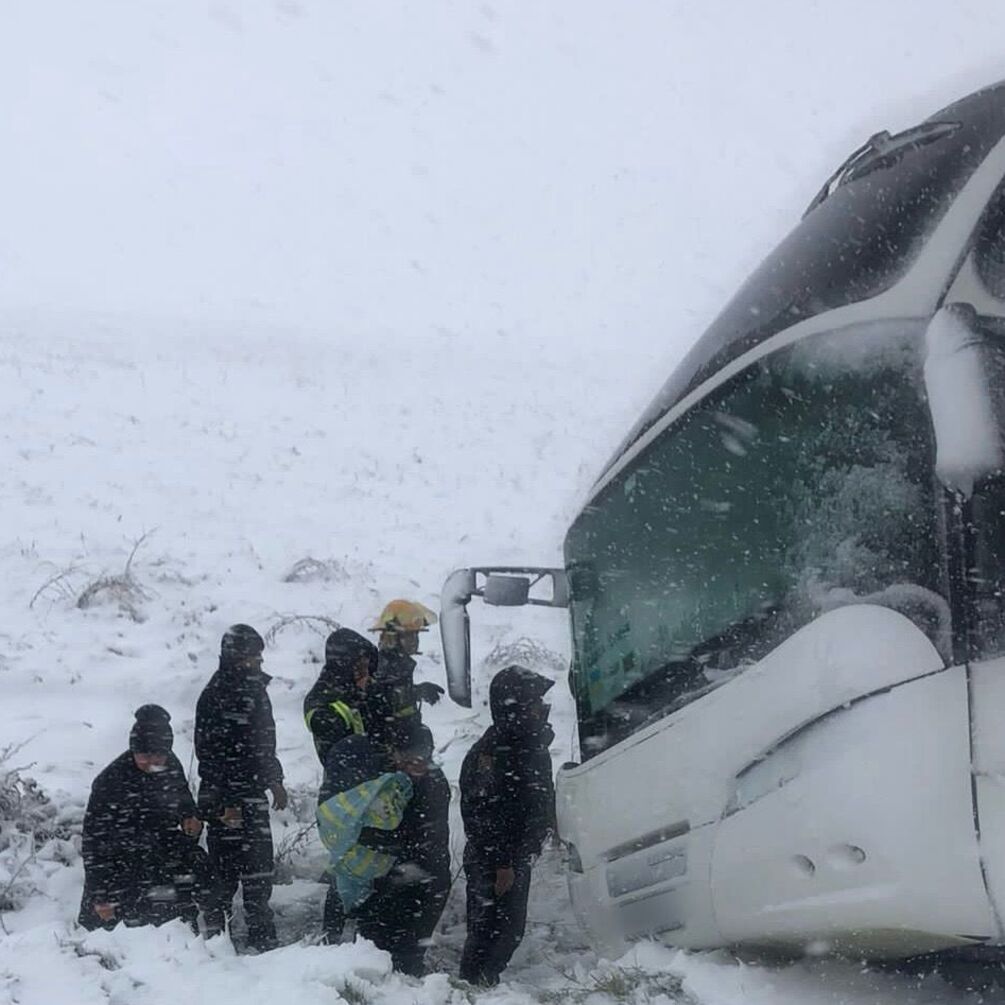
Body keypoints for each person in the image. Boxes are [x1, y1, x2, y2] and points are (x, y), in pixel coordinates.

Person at [78, 705, 220, 933]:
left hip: (162, 850)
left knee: (201, 871)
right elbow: (93, 843)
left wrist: (190, 820)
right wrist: (100, 894)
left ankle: (209, 935)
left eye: (158, 755)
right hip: (118, 857)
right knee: (116, 926)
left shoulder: (170, 766)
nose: (152, 762)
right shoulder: (110, 781)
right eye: (144, 755)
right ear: (133, 750)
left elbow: (184, 803)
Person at [458, 666, 556, 986]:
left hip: (515, 855)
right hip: (494, 860)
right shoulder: (491, 753)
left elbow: (538, 800)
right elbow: (481, 814)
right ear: (514, 709)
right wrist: (502, 862)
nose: (543, 708)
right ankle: (472, 988)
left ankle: (486, 985)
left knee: (510, 931)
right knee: (488, 932)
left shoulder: (531, 746)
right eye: (535, 702)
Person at [195, 624, 287, 952]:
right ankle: (218, 945)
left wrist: (274, 779)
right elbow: (210, 756)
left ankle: (264, 940)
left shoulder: (256, 691)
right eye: (253, 657)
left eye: (259, 657)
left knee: (260, 874)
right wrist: (225, 805)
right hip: (227, 801)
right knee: (223, 877)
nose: (259, 663)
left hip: (253, 795)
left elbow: (264, 742)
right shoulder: (214, 696)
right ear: (236, 658)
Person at [354, 719, 451, 976]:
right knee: (374, 955)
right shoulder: (386, 780)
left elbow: (420, 836)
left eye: (420, 757)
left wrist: (376, 840)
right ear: (394, 754)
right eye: (407, 758)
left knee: (406, 957)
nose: (414, 764)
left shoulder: (433, 784)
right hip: (389, 878)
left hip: (421, 879)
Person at [304, 628, 378, 769]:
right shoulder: (321, 696)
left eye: (367, 668)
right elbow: (324, 725)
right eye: (360, 669)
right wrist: (352, 701)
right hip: (344, 781)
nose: (366, 676)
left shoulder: (367, 690)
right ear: (344, 667)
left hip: (375, 777)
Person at [368, 599, 444, 734]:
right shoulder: (383, 665)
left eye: (416, 635)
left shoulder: (400, 663)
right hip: (391, 743)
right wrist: (417, 692)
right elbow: (383, 700)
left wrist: (416, 691)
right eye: (409, 635)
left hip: (403, 737)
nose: (415, 641)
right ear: (392, 637)